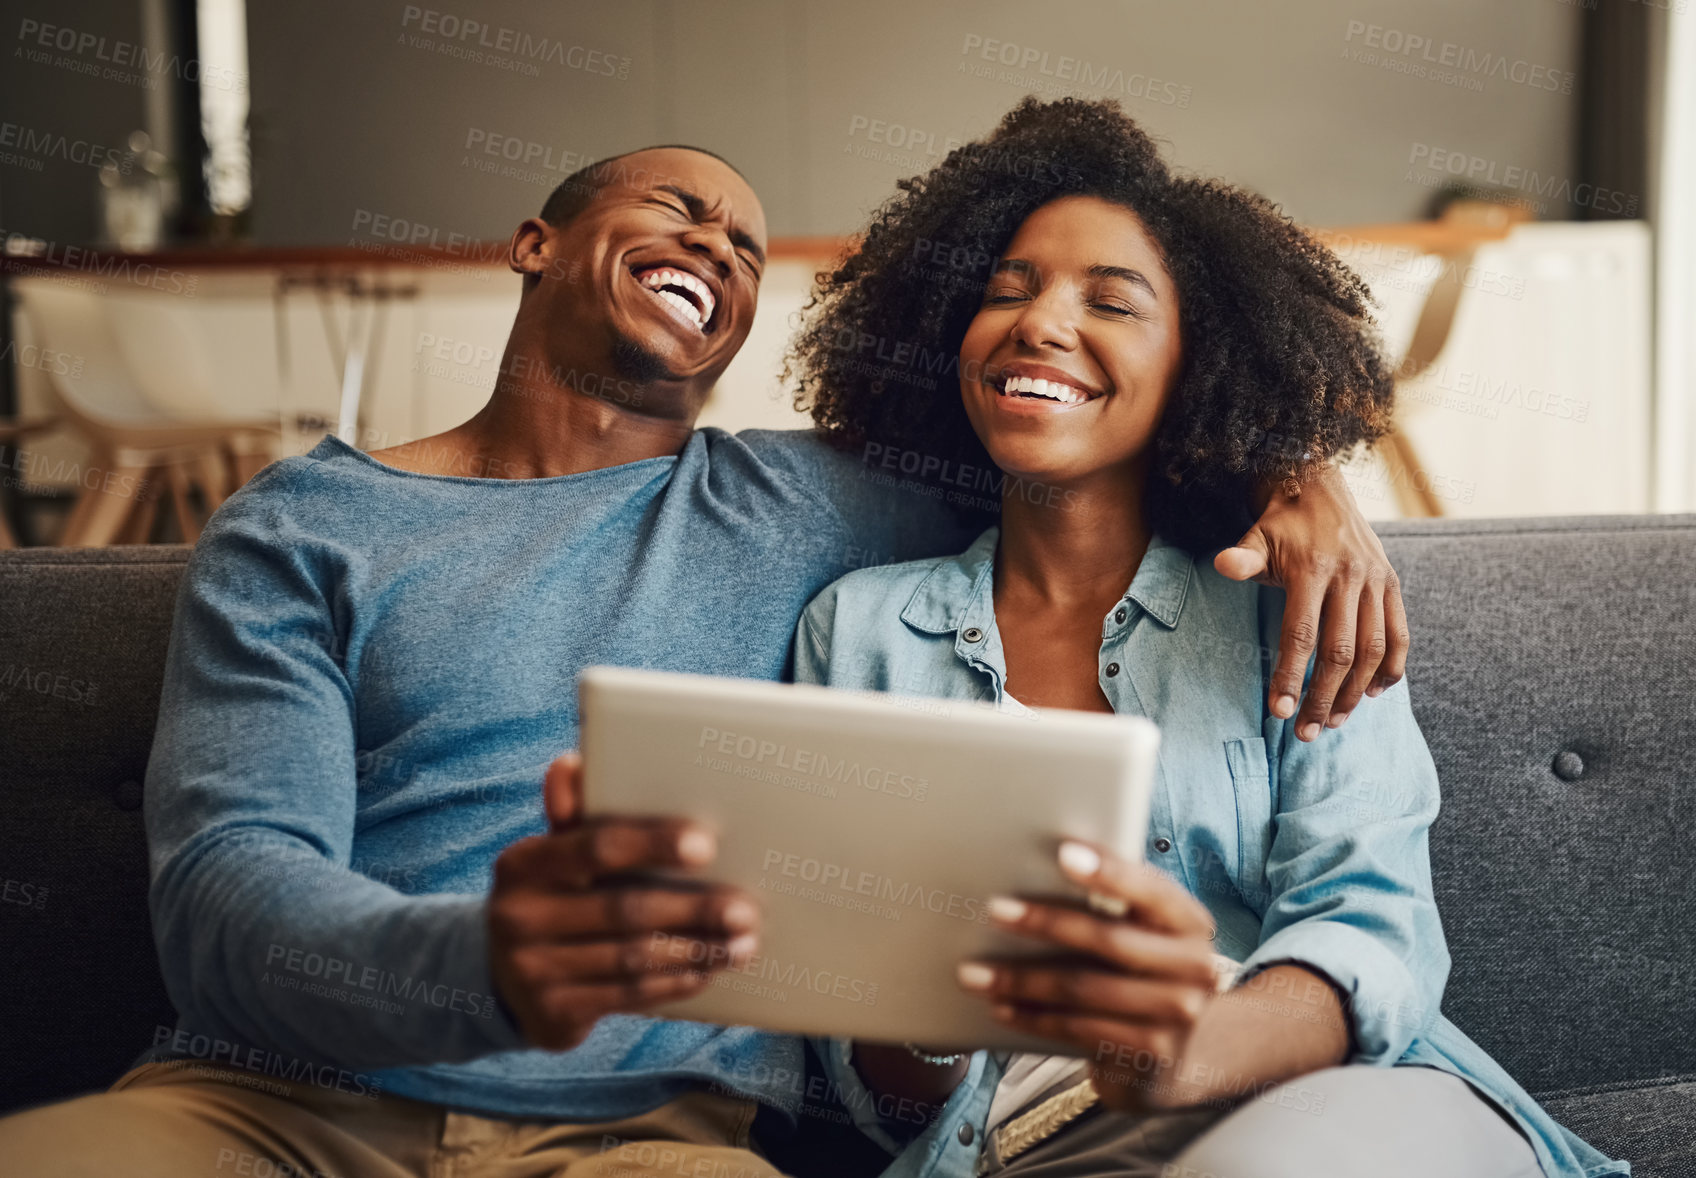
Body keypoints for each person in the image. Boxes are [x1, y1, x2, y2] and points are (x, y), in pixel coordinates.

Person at [0, 141, 1409, 1176]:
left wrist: (1296, 482)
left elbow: (1082, 440)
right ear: (537, 241)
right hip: (263, 1106)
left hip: (648, 1135)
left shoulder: (809, 502)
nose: (720, 245)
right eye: (679, 206)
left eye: (746, 248)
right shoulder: (306, 526)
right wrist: (478, 963)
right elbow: (227, 888)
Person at [786, 98, 1625, 1178]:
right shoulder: (855, 632)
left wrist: (1177, 1047)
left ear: (1200, 362)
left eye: (1112, 300)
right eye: (1006, 288)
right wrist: (925, 1003)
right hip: (1019, 1143)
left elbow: (1370, 930)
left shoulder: (1297, 606)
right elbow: (867, 1078)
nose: (1039, 321)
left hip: (1334, 1104)